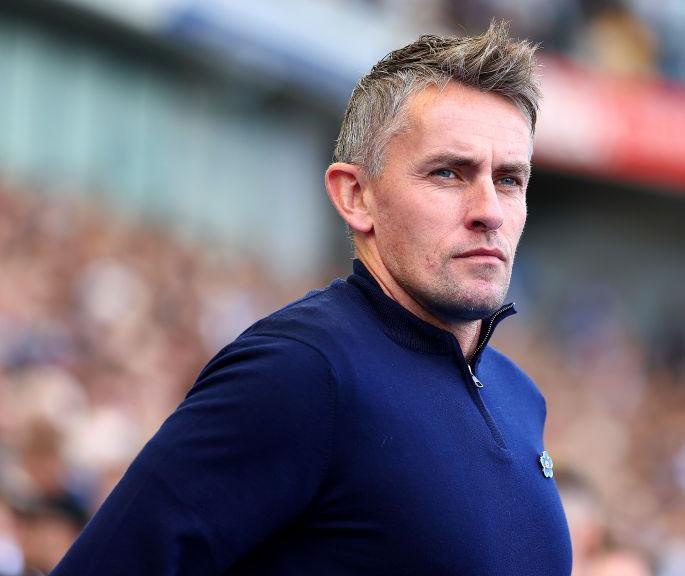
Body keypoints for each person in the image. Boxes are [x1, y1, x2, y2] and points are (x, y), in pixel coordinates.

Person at [52, 22, 571, 575]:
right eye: (448, 172)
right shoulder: (301, 370)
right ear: (355, 196)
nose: (489, 210)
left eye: (510, 180)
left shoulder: (519, 395)